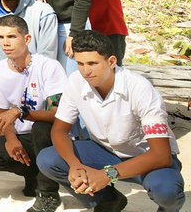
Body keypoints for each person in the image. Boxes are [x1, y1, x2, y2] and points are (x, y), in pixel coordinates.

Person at [39, 30, 183, 212]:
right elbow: (59, 130)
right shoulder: (75, 81)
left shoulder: (139, 88)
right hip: (104, 152)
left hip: (146, 158)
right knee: (48, 160)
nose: (86, 71)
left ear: (112, 61)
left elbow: (161, 155)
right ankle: (108, 200)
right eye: (80, 64)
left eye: (93, 63)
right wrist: (75, 165)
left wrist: (108, 174)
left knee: (167, 191)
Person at [0, 14, 67, 212]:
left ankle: (49, 194)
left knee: (41, 129)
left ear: (27, 39)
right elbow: (2, 114)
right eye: (1, 37)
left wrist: (20, 112)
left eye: (11, 36)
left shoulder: (49, 66)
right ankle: (34, 175)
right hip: (21, 135)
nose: (5, 43)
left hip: (49, 135)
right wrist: (11, 139)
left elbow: (58, 113)